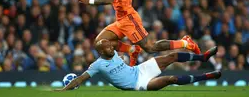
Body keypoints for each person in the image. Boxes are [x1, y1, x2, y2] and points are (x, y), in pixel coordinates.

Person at [56, 39, 221, 91]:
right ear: (100, 50)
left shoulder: (113, 52)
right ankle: (206, 76)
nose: (111, 47)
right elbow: (80, 79)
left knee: (171, 56)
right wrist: (63, 90)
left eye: (111, 45)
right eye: (107, 46)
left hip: (139, 70)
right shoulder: (97, 65)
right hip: (138, 84)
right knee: (171, 79)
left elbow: (126, 51)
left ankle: (203, 57)